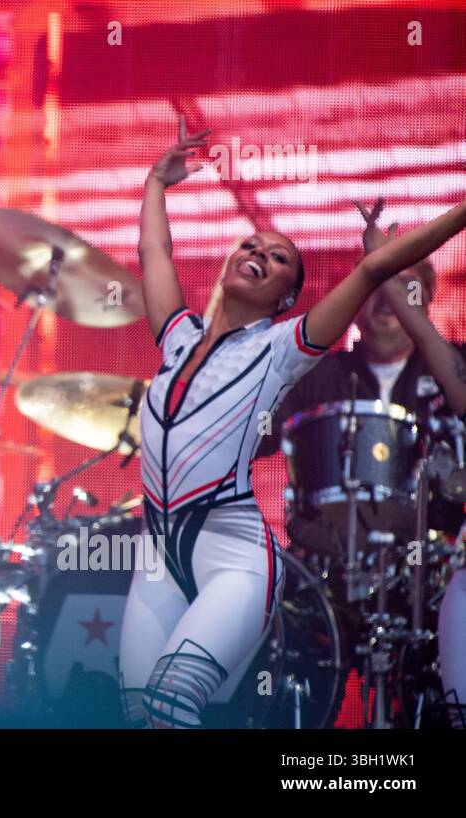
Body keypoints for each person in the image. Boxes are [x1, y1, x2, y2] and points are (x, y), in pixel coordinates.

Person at [118, 116, 466, 728]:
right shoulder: (176, 337)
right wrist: (154, 181)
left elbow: (371, 274)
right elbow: (153, 250)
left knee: (172, 701)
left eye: (278, 258)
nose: (259, 253)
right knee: (140, 716)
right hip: (159, 554)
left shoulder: (281, 348)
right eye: (251, 246)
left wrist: (452, 218)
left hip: (234, 555)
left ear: (286, 299)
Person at [257, 197, 466, 727]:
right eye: (376, 282)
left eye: (403, 282)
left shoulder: (451, 371)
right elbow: (252, 435)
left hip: (427, 572)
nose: (386, 299)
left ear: (424, 298)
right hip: (324, 566)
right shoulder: (318, 376)